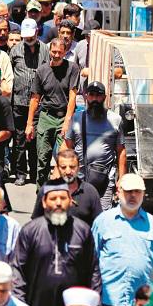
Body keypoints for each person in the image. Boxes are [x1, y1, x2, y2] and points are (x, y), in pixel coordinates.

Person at [12, 181, 101, 306]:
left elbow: (94, 272)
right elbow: (17, 271)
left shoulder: (83, 230)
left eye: (63, 198)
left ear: (70, 201)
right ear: (44, 202)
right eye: (53, 199)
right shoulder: (30, 231)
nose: (58, 203)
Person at [91, 173, 153, 306]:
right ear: (118, 192)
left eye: (137, 191)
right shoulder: (103, 221)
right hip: (109, 303)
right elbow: (91, 262)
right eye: (128, 191)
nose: (133, 196)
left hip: (143, 304)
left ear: (143, 194)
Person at [25, 38, 80, 187]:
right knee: (43, 157)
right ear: (49, 51)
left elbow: (72, 96)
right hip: (46, 116)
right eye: (54, 52)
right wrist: (30, 124)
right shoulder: (42, 71)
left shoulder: (73, 68)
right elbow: (35, 98)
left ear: (65, 53)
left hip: (64, 116)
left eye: (60, 52)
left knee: (63, 157)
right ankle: (41, 190)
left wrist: (68, 120)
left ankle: (62, 189)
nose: (56, 55)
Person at [65, 81, 126, 210]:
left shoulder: (115, 120)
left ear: (104, 97)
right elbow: (68, 147)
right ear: (86, 97)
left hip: (105, 179)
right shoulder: (77, 118)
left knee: (103, 216)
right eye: (91, 95)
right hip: (79, 179)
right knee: (79, 215)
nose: (94, 99)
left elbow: (121, 151)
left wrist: (121, 179)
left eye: (98, 95)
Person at [9, 18, 49, 187]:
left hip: (39, 102)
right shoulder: (15, 50)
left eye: (31, 36)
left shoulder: (45, 50)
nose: (28, 39)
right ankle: (20, 173)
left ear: (37, 32)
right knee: (19, 139)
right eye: (25, 37)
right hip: (19, 101)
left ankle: (34, 172)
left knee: (36, 140)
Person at [31, 151, 102, 227]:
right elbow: (36, 223)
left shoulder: (90, 192)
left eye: (72, 167)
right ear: (58, 168)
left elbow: (98, 225)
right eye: (63, 167)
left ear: (78, 167)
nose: (68, 172)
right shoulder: (46, 190)